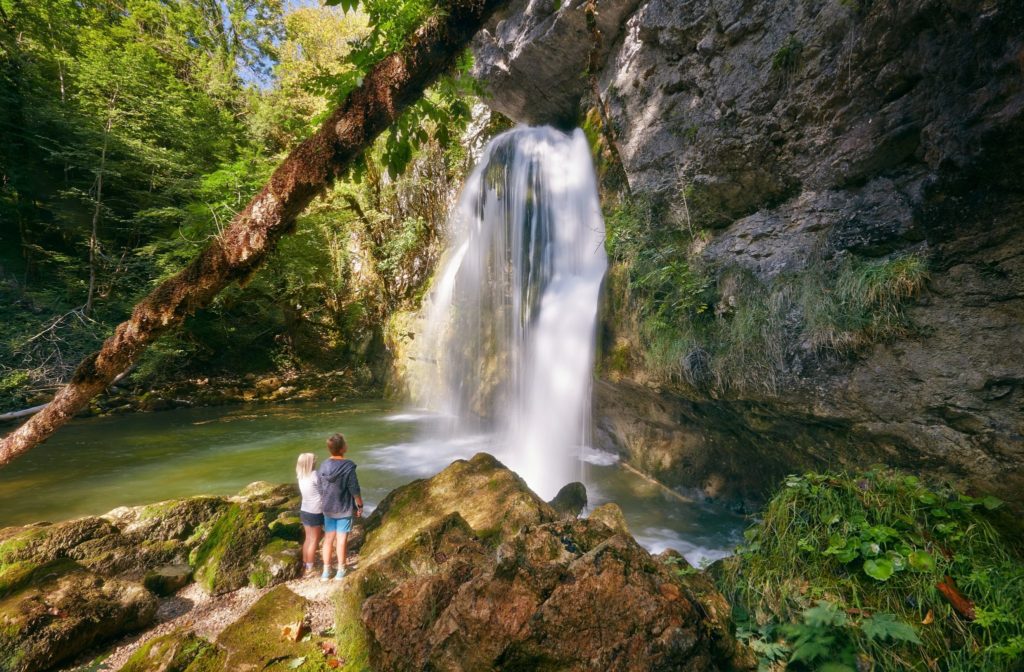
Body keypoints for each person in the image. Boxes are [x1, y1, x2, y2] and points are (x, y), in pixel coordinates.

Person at [317, 432, 363, 581]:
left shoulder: (324, 465)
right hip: (344, 508)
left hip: (328, 508)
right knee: (342, 539)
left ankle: (326, 571)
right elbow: (354, 488)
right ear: (343, 448)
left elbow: (320, 487)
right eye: (345, 443)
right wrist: (359, 504)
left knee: (329, 538)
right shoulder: (348, 466)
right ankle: (341, 569)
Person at [295, 452, 324, 579]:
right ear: (309, 463)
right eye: (313, 460)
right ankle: (310, 568)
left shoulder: (301, 476)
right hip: (315, 511)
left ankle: (305, 563)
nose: (316, 461)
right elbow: (324, 490)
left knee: (308, 538)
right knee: (314, 540)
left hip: (305, 510)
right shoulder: (314, 475)